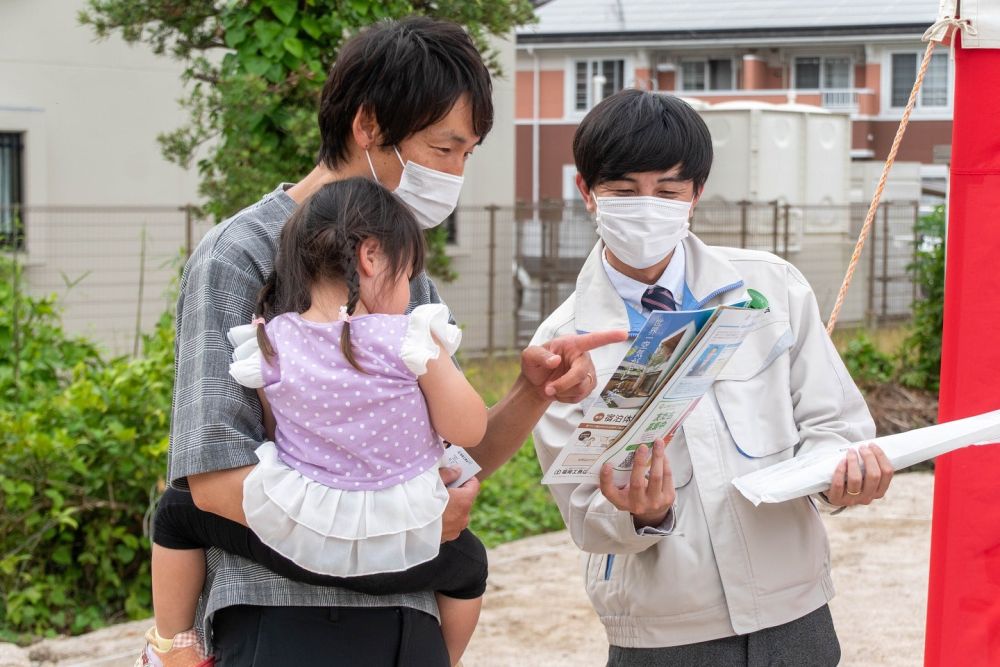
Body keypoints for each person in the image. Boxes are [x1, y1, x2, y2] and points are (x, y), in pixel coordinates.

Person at [153, 16, 624, 667]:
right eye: (441, 150)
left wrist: (531, 390)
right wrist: (399, 530)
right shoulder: (240, 253)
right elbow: (212, 482)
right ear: (369, 127)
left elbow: (457, 455)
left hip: (408, 614)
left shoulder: (404, 273)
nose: (455, 174)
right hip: (281, 617)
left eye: (468, 155)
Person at [531, 89, 896, 666]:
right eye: (623, 191)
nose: (646, 206)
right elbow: (582, 511)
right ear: (586, 190)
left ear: (696, 194)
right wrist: (641, 514)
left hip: (794, 609)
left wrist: (844, 474)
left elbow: (835, 424)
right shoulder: (562, 343)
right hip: (664, 629)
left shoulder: (771, 288)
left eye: (668, 191)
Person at [139, 179, 489, 667]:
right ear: (371, 257)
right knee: (470, 564)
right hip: (402, 518)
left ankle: (171, 646)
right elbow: (470, 428)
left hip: (297, 517)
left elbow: (274, 435)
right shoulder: (408, 335)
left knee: (176, 511)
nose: (410, 290)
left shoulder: (269, 342)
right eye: (408, 272)